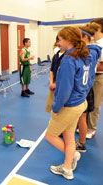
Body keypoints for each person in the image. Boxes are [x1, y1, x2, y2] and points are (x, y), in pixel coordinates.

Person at [45, 26, 101, 180]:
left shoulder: (69, 60)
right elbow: (96, 48)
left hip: (69, 106)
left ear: (69, 41)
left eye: (60, 40)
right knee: (69, 136)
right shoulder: (89, 54)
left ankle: (73, 155)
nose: (58, 43)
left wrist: (56, 107)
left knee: (50, 136)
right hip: (81, 102)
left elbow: (64, 89)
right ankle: (67, 168)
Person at [76, 23, 102, 152]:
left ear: (85, 38)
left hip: (83, 88)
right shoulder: (95, 50)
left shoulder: (88, 53)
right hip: (87, 86)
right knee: (82, 116)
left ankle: (81, 142)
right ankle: (81, 141)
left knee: (81, 116)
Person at [86, 18, 103, 138]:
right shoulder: (91, 43)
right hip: (89, 76)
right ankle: (84, 124)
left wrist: (88, 68)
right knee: (87, 101)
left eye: (93, 26)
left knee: (96, 103)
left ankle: (91, 128)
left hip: (99, 77)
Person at [45, 36, 65, 113]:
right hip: (54, 86)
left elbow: (65, 75)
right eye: (57, 41)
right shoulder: (56, 55)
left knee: (62, 110)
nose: (58, 43)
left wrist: (56, 84)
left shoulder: (68, 56)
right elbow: (52, 70)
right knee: (52, 108)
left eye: (60, 41)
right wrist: (51, 83)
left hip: (62, 87)